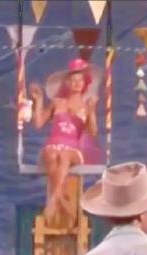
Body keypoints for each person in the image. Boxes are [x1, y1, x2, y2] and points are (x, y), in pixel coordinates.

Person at [30, 58, 99, 223]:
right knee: (53, 154)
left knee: (64, 155)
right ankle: (59, 198)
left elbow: (93, 132)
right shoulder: (57, 102)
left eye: (80, 80)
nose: (77, 83)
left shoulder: (86, 106)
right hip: (52, 146)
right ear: (67, 82)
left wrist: (92, 111)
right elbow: (38, 123)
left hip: (72, 150)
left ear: (85, 83)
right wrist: (38, 101)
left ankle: (52, 201)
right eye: (73, 80)